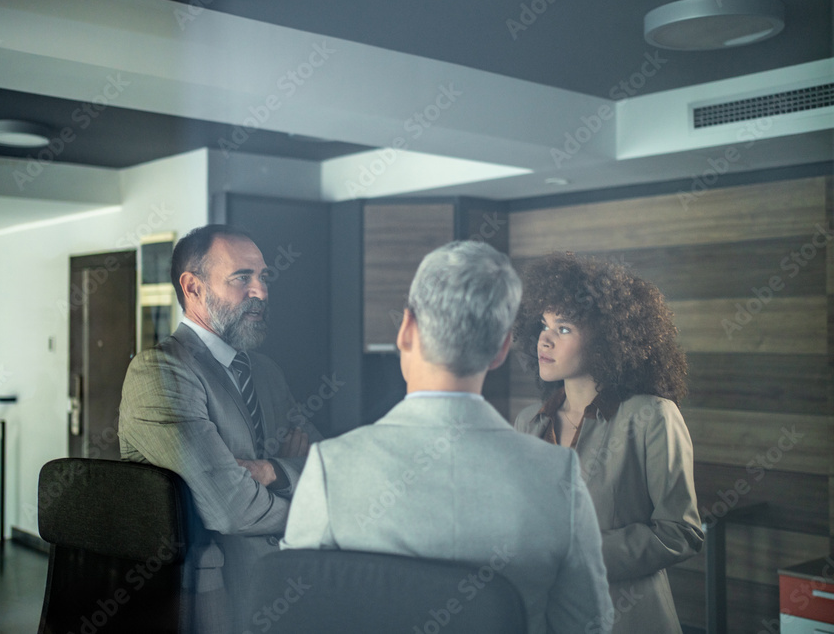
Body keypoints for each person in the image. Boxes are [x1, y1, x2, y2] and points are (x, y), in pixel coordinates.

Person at [282, 241, 613, 634]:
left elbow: (295, 616)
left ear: (406, 329)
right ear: (502, 349)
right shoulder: (557, 475)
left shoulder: (330, 467)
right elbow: (588, 625)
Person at [119, 224, 321, 633]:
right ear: (192, 287)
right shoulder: (160, 371)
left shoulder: (266, 371)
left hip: (290, 584)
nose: (261, 292)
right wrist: (317, 510)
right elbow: (230, 507)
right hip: (215, 601)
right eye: (242, 278)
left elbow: (319, 458)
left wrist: (272, 470)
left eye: (263, 277)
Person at [512, 252, 704, 634]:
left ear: (605, 340)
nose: (545, 339)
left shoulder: (652, 416)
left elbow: (681, 533)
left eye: (563, 328)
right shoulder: (527, 421)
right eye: (543, 325)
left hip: (628, 619)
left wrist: (580, 553)